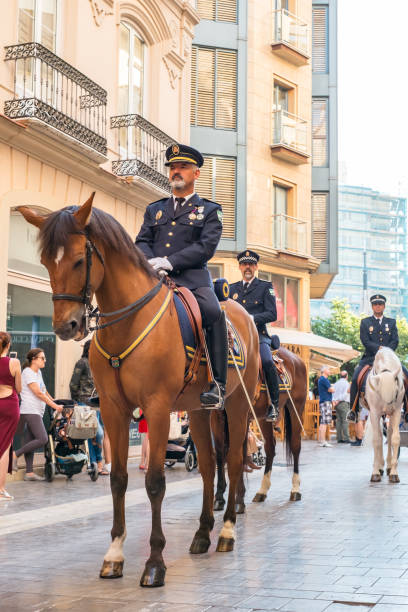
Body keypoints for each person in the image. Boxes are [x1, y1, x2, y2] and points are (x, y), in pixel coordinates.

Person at [136, 144, 228, 410]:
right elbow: (142, 239)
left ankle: (218, 384)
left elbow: (205, 247)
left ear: (196, 173)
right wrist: (151, 261)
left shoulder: (210, 210)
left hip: (192, 277)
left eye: (183, 167)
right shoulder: (155, 209)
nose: (176, 171)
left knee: (212, 312)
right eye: (173, 167)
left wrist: (170, 261)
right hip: (154, 276)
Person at [229, 250, 279, 421]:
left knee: (266, 362)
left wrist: (251, 318)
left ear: (256, 267)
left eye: (251, 264)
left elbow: (272, 314)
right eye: (244, 264)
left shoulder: (266, 287)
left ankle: (274, 404)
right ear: (239, 267)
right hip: (235, 337)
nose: (247, 267)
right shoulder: (231, 288)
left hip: (258, 335)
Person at [347, 294, 407, 422]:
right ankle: (353, 410)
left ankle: (407, 409)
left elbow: (395, 340)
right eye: (375, 304)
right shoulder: (365, 322)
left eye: (380, 304)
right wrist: (379, 349)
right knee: (355, 377)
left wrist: (386, 350)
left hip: (389, 358)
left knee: (406, 374)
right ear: (372, 306)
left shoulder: (391, 322)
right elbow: (365, 341)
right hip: (370, 358)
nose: (378, 306)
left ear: (384, 306)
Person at [13, 348, 62, 481]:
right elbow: (37, 393)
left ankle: (29, 473)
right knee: (43, 438)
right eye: (42, 358)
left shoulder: (38, 372)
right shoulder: (28, 372)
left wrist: (55, 401)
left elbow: (44, 391)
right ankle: (15, 455)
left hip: (36, 411)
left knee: (30, 440)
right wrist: (55, 406)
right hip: (30, 410)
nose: (45, 360)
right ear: (34, 359)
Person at [70, 340, 109, 475]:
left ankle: (96, 463)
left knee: (94, 434)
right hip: (84, 403)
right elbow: (73, 383)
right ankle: (96, 462)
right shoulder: (82, 363)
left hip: (98, 404)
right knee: (96, 433)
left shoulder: (99, 364)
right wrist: (76, 400)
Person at [0, 332, 21, 501]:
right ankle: (0, 489)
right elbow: (19, 388)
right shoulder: (14, 362)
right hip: (9, 405)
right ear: (8, 345)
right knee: (5, 446)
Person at [317, 365, 334, 447]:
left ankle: (321, 440)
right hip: (326, 401)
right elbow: (331, 389)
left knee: (322, 422)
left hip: (323, 401)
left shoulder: (321, 379)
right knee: (325, 422)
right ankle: (323, 441)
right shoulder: (324, 379)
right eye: (329, 369)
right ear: (324, 371)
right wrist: (332, 388)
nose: (330, 371)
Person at [332, 370, 350, 444]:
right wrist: (339, 400)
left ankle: (339, 438)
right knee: (345, 421)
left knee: (339, 421)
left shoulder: (336, 383)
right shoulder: (346, 383)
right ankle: (346, 438)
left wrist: (335, 401)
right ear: (347, 376)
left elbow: (333, 393)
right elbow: (345, 394)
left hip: (336, 404)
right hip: (343, 403)